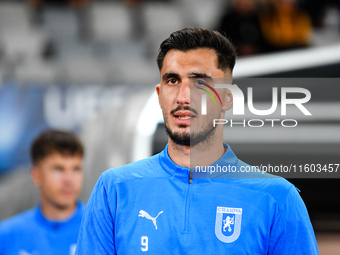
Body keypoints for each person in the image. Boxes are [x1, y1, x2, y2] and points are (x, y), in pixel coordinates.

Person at [75, 28, 319, 254]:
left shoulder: (278, 199)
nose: (183, 97)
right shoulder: (114, 190)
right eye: (172, 81)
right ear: (160, 96)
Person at [0, 130, 84, 255]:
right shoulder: (7, 235)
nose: (69, 179)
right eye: (58, 169)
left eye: (76, 169)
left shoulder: (104, 230)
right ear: (36, 176)